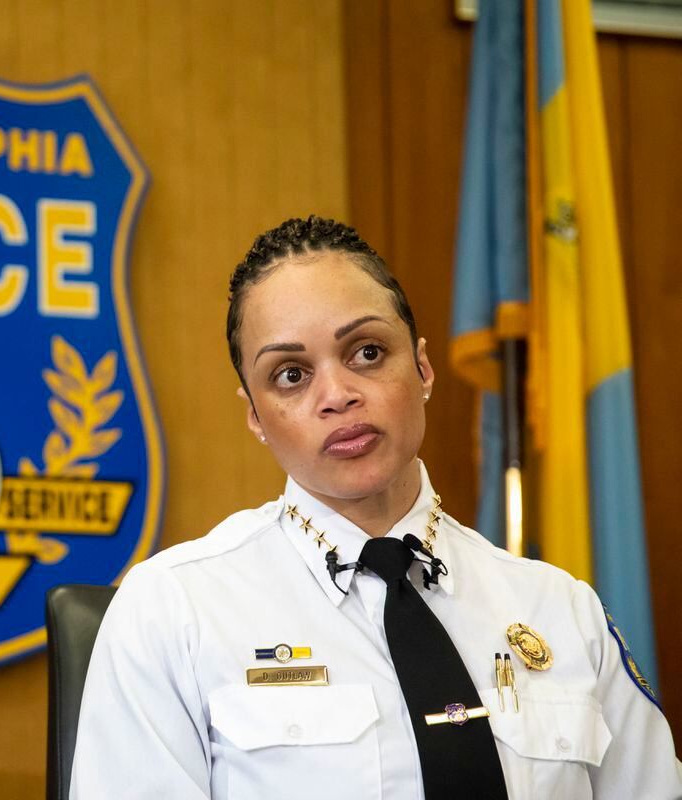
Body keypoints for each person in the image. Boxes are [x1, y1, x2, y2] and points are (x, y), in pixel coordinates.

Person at [69, 216, 681, 799]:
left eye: (366, 352)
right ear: (255, 416)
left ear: (422, 368)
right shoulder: (171, 611)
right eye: (290, 375)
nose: (337, 395)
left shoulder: (563, 611)